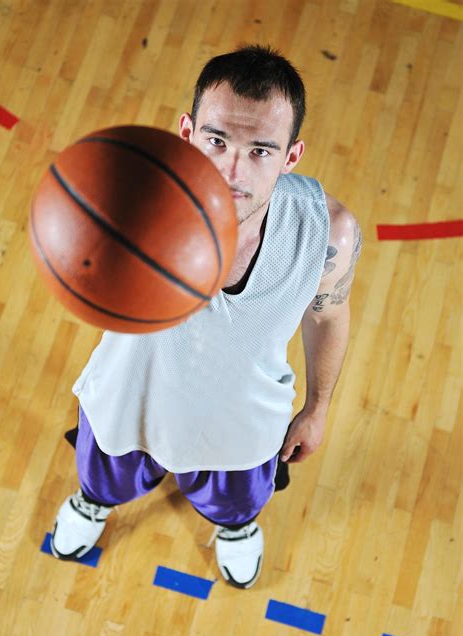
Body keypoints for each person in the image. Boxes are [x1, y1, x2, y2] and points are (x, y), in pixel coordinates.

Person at [50, 44, 362, 589]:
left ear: (292, 156)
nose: (232, 169)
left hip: (242, 424)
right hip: (129, 396)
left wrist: (318, 408)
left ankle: (235, 528)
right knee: (102, 478)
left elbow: (328, 317)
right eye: (217, 140)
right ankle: (94, 503)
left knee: (236, 503)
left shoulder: (326, 232)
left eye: (260, 150)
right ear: (187, 131)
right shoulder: (130, 201)